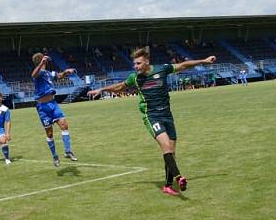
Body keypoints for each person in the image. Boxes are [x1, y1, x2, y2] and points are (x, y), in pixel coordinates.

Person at [87, 48, 216, 196]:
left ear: (146, 62)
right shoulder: (135, 78)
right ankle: (179, 177)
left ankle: (168, 186)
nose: (135, 66)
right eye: (134, 64)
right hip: (151, 116)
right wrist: (102, 89)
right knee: (166, 146)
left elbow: (184, 65)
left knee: (172, 152)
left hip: (167, 115)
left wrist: (204, 61)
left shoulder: (162, 69)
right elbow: (119, 87)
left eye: (138, 63)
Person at [31, 53, 77, 167]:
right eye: (43, 59)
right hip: (43, 108)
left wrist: (66, 72)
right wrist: (41, 63)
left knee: (64, 124)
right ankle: (55, 157)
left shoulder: (47, 73)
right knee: (50, 133)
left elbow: (59, 75)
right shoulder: (39, 73)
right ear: (41, 61)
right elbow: (33, 74)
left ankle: (68, 151)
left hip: (53, 104)